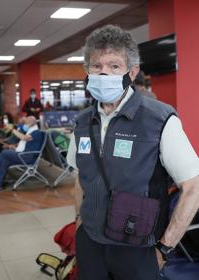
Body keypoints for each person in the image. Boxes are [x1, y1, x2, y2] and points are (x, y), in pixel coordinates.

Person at [66, 25, 199, 280]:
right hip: (90, 243)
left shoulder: (160, 119)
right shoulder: (82, 122)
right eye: (96, 66)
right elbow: (80, 177)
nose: (104, 72)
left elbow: (193, 186)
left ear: (132, 71)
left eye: (114, 66)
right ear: (88, 72)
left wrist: (165, 247)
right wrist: (78, 222)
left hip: (138, 248)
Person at [0, 116, 44, 193]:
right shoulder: (30, 132)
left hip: (28, 157)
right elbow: (25, 144)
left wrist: (12, 129)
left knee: (5, 153)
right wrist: (14, 146)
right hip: (23, 155)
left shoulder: (37, 132)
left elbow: (24, 138)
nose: (24, 125)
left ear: (31, 124)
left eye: (26, 123)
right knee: (4, 161)